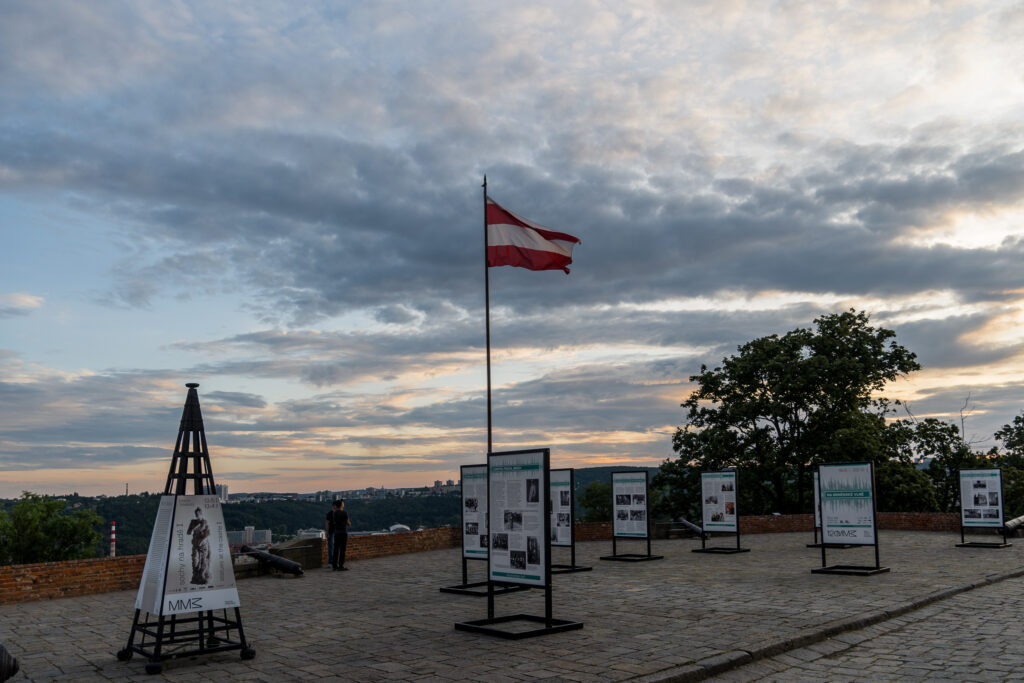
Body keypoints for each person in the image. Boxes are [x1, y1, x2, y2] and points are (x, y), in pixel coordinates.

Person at [186, 507, 211, 585]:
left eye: (199, 514)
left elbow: (207, 534)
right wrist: (193, 528)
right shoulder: (193, 522)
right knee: (194, 560)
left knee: (203, 560)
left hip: (203, 545)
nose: (197, 516)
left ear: (201, 514)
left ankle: (202, 576)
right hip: (195, 544)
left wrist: (201, 540)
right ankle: (195, 576)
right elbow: (188, 532)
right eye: (196, 514)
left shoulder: (205, 522)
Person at [330, 499, 351, 570]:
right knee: (342, 550)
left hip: (336, 533)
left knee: (336, 549)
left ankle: (334, 565)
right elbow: (348, 523)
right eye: (343, 503)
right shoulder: (345, 513)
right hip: (343, 533)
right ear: (341, 505)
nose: (344, 504)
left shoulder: (334, 513)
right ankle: (341, 565)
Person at [324, 500, 338, 567]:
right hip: (332, 531)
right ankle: (331, 562)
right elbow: (327, 523)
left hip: (337, 531)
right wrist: (327, 532)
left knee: (334, 547)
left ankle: (334, 561)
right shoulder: (330, 513)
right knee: (331, 547)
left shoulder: (338, 513)